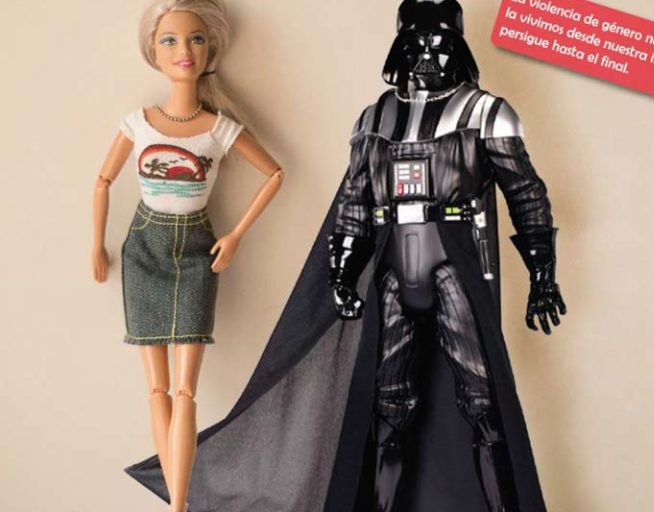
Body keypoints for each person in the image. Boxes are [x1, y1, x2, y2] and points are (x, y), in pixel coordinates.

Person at [126, 2, 564, 511]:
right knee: (389, 408)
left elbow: (526, 194)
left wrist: (543, 275)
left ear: (458, 48)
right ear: (400, 48)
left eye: (440, 43)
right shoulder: (375, 118)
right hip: (394, 269)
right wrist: (341, 273)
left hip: (454, 264)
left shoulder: (487, 113)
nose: (427, 55)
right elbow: (355, 203)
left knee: (482, 404)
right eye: (416, 43)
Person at [91, 2, 283, 511]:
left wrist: (236, 235)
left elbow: (275, 173)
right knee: (157, 389)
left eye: (196, 39)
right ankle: (179, 503)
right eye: (170, 40)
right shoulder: (139, 123)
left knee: (184, 391)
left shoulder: (218, 128)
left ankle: (178, 504)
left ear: (211, 48)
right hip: (144, 247)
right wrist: (97, 243)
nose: (184, 50)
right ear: (153, 51)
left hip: (198, 251)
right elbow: (103, 180)